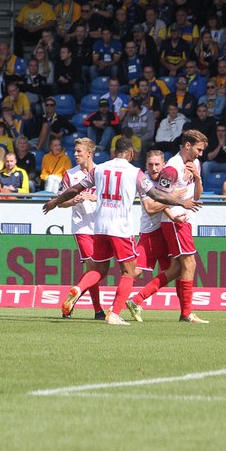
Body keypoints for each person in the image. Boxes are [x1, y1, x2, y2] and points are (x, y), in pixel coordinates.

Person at [43, 138, 202, 326]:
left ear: (113, 152)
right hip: (120, 228)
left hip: (99, 227)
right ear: (131, 153)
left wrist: (55, 201)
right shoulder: (134, 172)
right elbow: (155, 195)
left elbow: (76, 189)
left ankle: (79, 288)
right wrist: (181, 202)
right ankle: (115, 313)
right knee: (129, 272)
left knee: (99, 269)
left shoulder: (99, 169)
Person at [126, 129, 209, 324]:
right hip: (174, 222)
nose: (200, 154)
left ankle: (136, 299)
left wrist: (197, 177)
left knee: (176, 269)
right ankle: (186, 313)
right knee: (190, 264)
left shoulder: (194, 163)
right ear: (187, 145)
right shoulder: (172, 168)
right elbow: (159, 198)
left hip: (185, 220)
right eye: (198, 149)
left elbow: (197, 196)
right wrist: (175, 210)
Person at [55, 137, 105, 320]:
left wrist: (95, 198)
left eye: (79, 151)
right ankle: (98, 310)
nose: (75, 154)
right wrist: (73, 200)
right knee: (93, 267)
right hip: (82, 227)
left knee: (96, 271)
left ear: (89, 153)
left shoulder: (102, 172)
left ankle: (75, 297)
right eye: (75, 151)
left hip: (101, 227)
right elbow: (60, 202)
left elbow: (111, 198)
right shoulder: (70, 175)